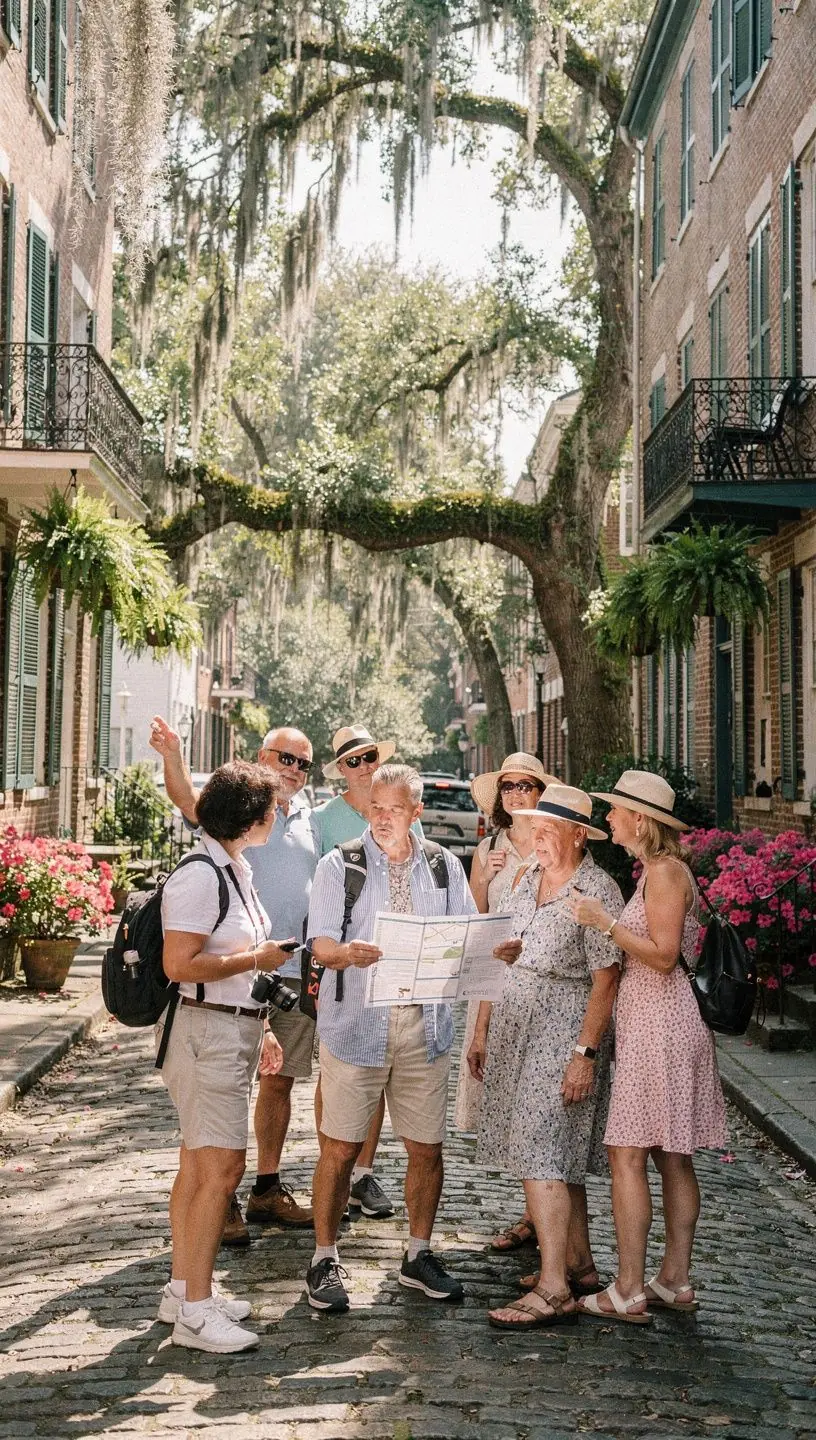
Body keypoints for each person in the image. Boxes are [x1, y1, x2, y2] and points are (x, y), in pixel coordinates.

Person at [305, 763, 497, 1313]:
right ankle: (323, 1257)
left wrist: (493, 949)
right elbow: (320, 946)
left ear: (417, 812)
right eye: (375, 808)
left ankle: (418, 1254)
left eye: (393, 810)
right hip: (356, 1026)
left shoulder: (442, 867)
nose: (382, 818)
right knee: (340, 1148)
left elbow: (464, 934)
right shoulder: (337, 866)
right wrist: (346, 954)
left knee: (426, 1148)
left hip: (425, 1026)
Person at [151, 717, 318, 1243]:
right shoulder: (230, 822)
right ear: (261, 758)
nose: (293, 769)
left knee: (278, 1083)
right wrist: (173, 755)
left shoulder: (307, 821)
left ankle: (263, 1190)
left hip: (279, 982)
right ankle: (215, 1213)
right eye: (283, 758)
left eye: (303, 763)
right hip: (224, 993)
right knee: (216, 1134)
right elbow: (190, 803)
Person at [570, 770, 727, 1325]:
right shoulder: (659, 872)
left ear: (640, 819)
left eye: (614, 810)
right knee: (671, 1155)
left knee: (628, 1155)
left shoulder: (662, 874)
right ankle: (674, 1280)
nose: (607, 817)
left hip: (660, 1025)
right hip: (662, 1022)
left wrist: (605, 922)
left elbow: (661, 956)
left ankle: (629, 1289)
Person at [468, 784, 624, 1330]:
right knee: (552, 1153)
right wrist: (483, 1026)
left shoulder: (596, 890)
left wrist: (585, 1054)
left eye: (549, 834)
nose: (538, 842)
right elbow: (501, 945)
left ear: (579, 836)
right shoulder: (526, 876)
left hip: (562, 1030)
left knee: (542, 1150)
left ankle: (554, 1288)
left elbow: (607, 979)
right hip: (516, 1026)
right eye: (534, 832)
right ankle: (578, 1266)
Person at [158, 761, 294, 1353]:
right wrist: (255, 962)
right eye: (271, 806)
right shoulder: (200, 874)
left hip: (228, 1030)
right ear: (251, 816)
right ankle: (194, 1312)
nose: (278, 813)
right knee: (220, 1172)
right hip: (204, 1037)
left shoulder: (232, 866)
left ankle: (183, 1289)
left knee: (197, 1166)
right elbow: (179, 965)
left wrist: (260, 1023)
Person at [309, 724, 425, 1220]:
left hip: (394, 967)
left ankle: (363, 1172)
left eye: (370, 756)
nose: (364, 766)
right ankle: (335, 1163)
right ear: (341, 770)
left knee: (378, 1061)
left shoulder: (407, 819)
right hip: (339, 963)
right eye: (352, 761)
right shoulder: (324, 821)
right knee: (340, 1063)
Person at [455, 752, 554, 1255]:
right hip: (494, 985)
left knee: (533, 1104)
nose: (516, 793)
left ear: (540, 792)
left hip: (539, 988)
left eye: (525, 785)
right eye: (508, 786)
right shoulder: (489, 846)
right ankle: (531, 1215)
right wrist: (482, 874)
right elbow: (476, 918)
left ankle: (539, 1220)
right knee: (508, 1103)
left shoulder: (551, 842)